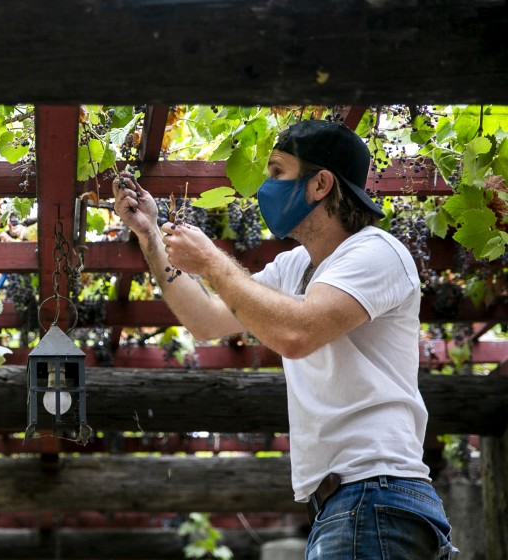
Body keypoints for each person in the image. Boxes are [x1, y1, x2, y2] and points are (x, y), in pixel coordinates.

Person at [112, 119, 457, 559]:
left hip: (374, 494)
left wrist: (215, 265)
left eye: (277, 172)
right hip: (348, 505)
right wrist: (150, 236)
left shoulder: (377, 251)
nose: (265, 189)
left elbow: (298, 333)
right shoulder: (295, 267)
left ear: (321, 184)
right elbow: (205, 320)